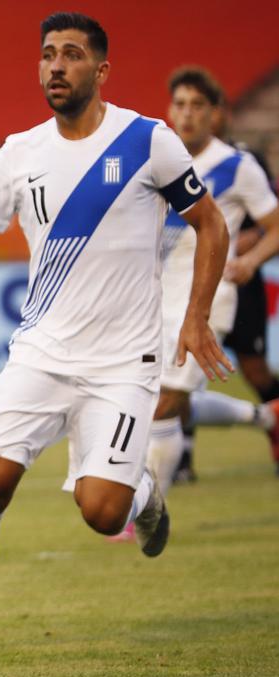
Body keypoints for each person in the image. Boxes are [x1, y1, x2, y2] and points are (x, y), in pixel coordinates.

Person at [0, 13, 232, 656]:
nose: (56, 66)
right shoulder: (19, 153)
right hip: (42, 354)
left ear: (100, 70)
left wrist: (193, 316)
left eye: (73, 55)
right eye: (48, 54)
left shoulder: (147, 141)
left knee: (101, 513)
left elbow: (212, 225)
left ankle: (140, 490)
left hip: (122, 365)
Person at [141, 66, 279, 498]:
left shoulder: (236, 166)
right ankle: (268, 418)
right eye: (179, 105)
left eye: (197, 106)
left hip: (208, 301)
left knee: (164, 403)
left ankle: (148, 511)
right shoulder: (159, 159)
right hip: (155, 300)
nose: (187, 115)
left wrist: (252, 259)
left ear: (215, 114)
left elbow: (276, 223)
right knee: (157, 402)